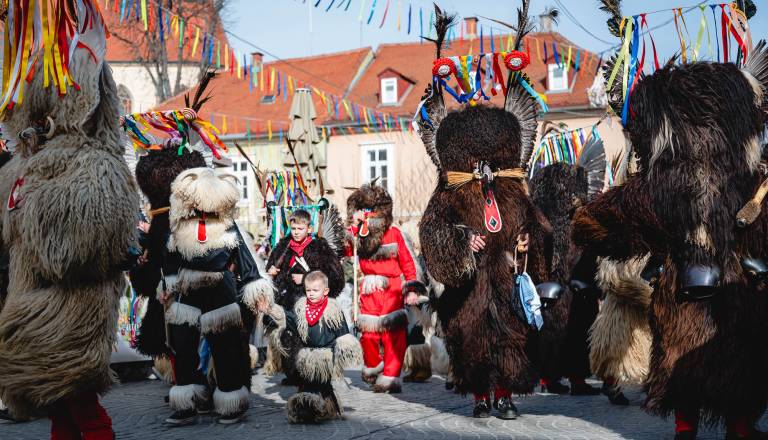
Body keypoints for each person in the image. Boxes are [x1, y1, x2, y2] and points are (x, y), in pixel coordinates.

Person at [574, 2, 768, 438]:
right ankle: (716, 426)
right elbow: (609, 223)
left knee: (712, 350)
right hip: (711, 286)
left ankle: (698, 427)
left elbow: (605, 222)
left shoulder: (678, 183)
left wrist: (587, 220)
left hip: (700, 287)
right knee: (714, 352)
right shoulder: (735, 178)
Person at [0, 3, 139, 439]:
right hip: (30, 304)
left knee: (80, 404)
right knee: (59, 406)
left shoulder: (94, 165)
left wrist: (36, 208)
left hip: (71, 309)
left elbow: (73, 250)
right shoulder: (22, 167)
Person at [416, 4, 553, 419]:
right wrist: (461, 241)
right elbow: (431, 229)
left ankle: (507, 395)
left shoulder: (513, 184)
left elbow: (540, 225)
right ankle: (480, 397)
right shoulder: (450, 187)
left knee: (510, 336)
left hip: (508, 275)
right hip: (469, 285)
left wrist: (529, 238)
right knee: (472, 338)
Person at [163, 166, 274, 425]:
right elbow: (169, 261)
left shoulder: (228, 226)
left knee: (225, 350)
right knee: (182, 349)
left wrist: (255, 290)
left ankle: (231, 403)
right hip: (186, 293)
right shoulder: (179, 227)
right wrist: (166, 288)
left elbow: (245, 262)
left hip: (220, 292)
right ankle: (187, 403)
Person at [346, 183, 426, 393]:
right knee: (368, 335)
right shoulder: (358, 235)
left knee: (394, 335)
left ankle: (391, 375)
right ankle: (373, 366)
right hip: (369, 287)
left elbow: (408, 263)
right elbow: (345, 250)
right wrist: (353, 228)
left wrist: (411, 289)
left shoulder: (394, 234)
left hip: (392, 288)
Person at [262, 209, 344, 382]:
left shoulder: (320, 247)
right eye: (293, 229)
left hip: (312, 302)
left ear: (309, 228)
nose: (296, 232)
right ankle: (292, 373)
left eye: (300, 228)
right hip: (288, 301)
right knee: (288, 337)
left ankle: (310, 373)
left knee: (308, 338)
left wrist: (306, 278)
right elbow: (270, 271)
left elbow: (335, 276)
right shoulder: (283, 246)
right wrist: (270, 272)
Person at [280, 271, 361, 423]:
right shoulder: (301, 308)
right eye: (308, 290)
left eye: (315, 290)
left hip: (326, 357)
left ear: (326, 291)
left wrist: (345, 348)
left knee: (321, 384)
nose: (310, 294)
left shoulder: (333, 310)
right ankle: (313, 408)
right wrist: (273, 311)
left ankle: (318, 409)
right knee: (310, 384)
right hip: (306, 356)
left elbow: (342, 330)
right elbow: (291, 320)